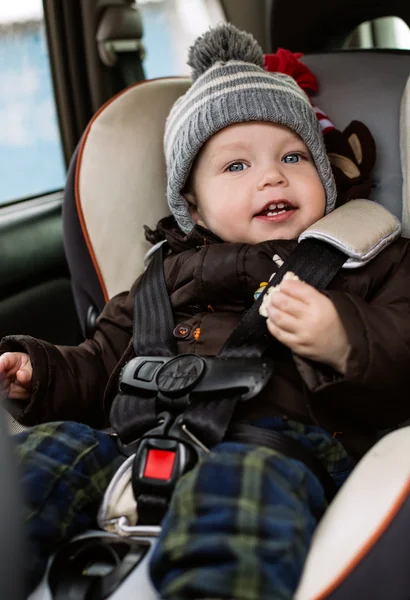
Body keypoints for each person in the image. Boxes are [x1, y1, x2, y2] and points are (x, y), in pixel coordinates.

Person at [1, 23, 410, 600]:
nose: (272, 174)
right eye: (235, 167)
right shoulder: (160, 277)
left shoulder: (368, 257)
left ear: (323, 174)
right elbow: (97, 365)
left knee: (241, 493)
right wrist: (40, 373)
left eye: (294, 156)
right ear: (191, 204)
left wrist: (343, 338)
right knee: (40, 457)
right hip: (131, 442)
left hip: (275, 442)